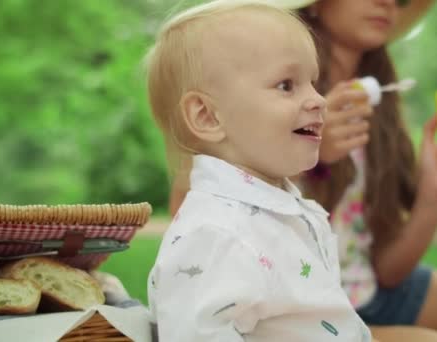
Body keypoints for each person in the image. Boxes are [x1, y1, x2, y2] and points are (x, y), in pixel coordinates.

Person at [144, 1, 388, 340]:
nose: (318, 99)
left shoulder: (277, 208)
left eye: (313, 82)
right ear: (207, 116)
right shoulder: (216, 235)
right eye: (287, 85)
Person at [286, 0, 437, 341]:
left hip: (368, 292)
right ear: (314, 4)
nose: (389, 2)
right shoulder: (270, 86)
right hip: (295, 308)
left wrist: (436, 193)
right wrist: (306, 154)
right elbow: (202, 209)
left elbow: (389, 272)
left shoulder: (378, 107)